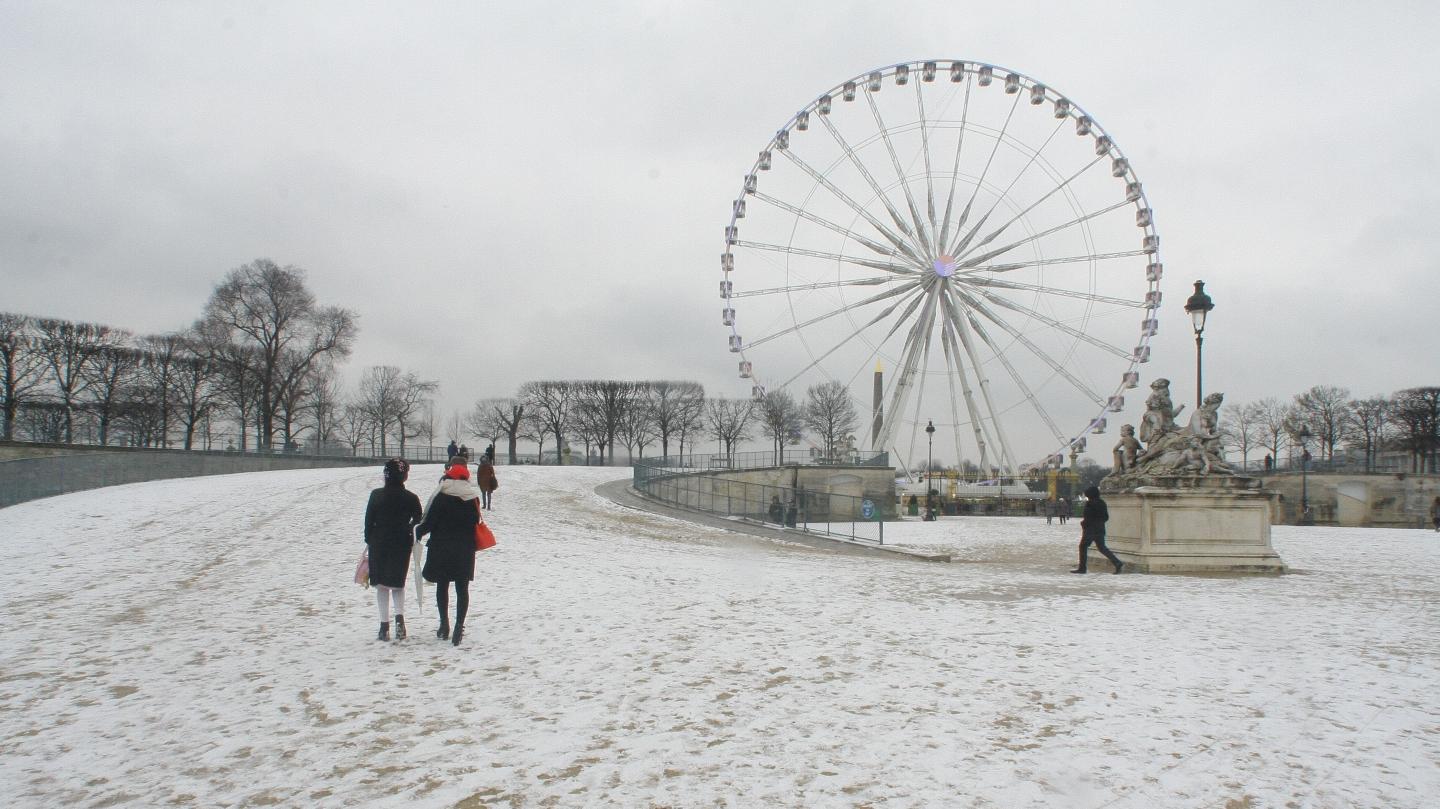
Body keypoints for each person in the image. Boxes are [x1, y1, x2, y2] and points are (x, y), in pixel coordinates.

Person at [416, 456, 482, 646]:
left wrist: (417, 532)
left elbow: (429, 522)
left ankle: (444, 624)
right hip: (464, 548)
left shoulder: (441, 494)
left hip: (441, 547)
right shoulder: (472, 496)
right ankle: (459, 627)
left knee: (442, 585)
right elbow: (475, 522)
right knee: (462, 589)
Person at [364, 459, 422, 641]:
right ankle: (400, 620)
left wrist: (370, 538)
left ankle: (383, 626)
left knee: (381, 585)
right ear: (404, 476)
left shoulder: (376, 495)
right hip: (401, 542)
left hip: (379, 542)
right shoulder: (411, 497)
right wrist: (408, 530)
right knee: (398, 583)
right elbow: (419, 518)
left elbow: (368, 521)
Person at [1073, 486, 1122, 574]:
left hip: (1090, 530)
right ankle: (1117, 562)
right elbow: (1106, 517)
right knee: (1102, 548)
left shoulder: (1090, 503)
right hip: (1100, 528)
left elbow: (1088, 517)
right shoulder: (1102, 503)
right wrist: (1099, 522)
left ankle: (1082, 568)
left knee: (1083, 546)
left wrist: (1084, 523)